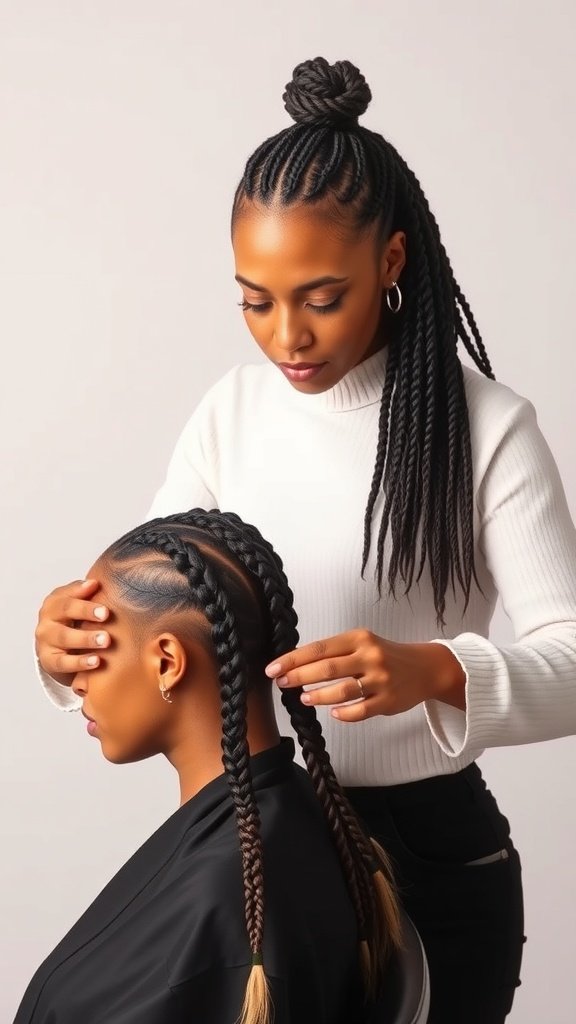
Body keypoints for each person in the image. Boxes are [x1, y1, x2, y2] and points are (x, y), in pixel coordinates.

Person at [34, 57, 576, 1023]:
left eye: (321, 298)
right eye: (255, 300)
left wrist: (434, 670)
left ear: (392, 261)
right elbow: (162, 617)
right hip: (261, 845)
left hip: (430, 859)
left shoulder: (486, 428)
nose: (287, 336)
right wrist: (65, 643)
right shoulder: (230, 414)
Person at [17, 508, 412, 1024]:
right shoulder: (304, 817)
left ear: (167, 663)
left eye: (93, 651)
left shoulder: (222, 897)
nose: (76, 682)